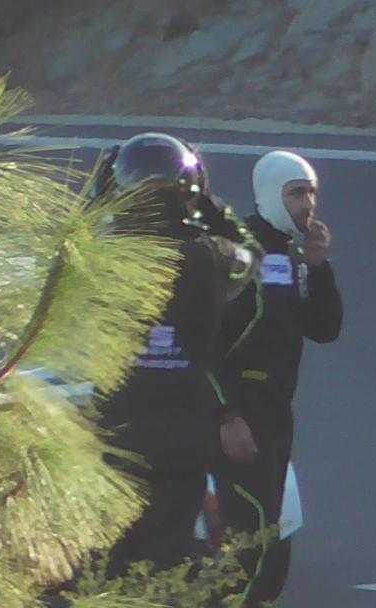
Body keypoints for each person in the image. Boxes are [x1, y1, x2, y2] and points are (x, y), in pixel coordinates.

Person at [88, 132, 261, 575]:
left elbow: (65, 253)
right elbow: (252, 255)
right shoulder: (211, 257)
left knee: (107, 556)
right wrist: (210, 201)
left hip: (115, 425)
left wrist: (97, 194)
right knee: (166, 555)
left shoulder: (101, 257)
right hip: (183, 429)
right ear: (189, 192)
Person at [214, 150, 343, 605]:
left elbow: (324, 328)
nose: (308, 203)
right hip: (242, 411)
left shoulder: (291, 253)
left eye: (311, 192)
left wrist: (320, 267)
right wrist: (228, 416)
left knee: (271, 527)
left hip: (275, 409)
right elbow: (209, 344)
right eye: (296, 193)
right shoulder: (240, 250)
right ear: (270, 194)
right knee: (245, 527)